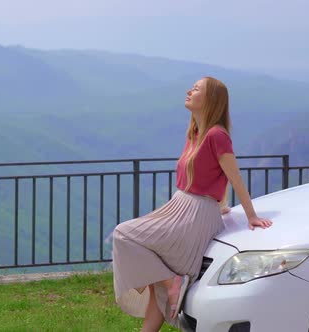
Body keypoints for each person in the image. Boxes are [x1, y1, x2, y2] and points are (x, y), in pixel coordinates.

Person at [111, 76, 273, 331]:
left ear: (210, 100)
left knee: (124, 233)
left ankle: (171, 281)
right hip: (180, 207)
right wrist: (221, 204)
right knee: (155, 288)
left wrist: (251, 216)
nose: (189, 91)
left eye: (196, 89)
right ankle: (168, 284)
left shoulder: (217, 136)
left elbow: (234, 177)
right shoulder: (195, 133)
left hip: (195, 215)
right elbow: (211, 176)